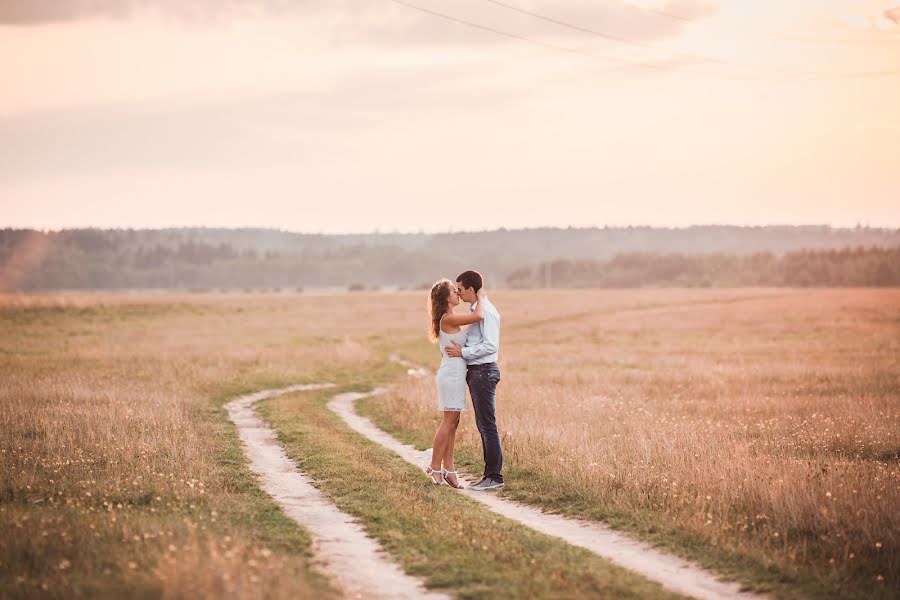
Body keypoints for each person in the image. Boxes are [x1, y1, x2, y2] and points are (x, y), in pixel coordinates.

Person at [445, 270, 503, 491]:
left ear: (471, 289)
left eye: (460, 289)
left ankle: (494, 477)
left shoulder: (485, 311)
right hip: (478, 372)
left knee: (487, 425)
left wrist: (464, 353)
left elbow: (490, 346)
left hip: (484, 372)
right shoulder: (475, 309)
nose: (458, 292)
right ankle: (491, 475)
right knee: (484, 424)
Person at [425, 278, 486, 488]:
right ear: (446, 299)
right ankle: (434, 466)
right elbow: (478, 316)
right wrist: (481, 297)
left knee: (454, 423)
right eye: (454, 291)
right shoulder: (448, 319)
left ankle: (449, 468)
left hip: (456, 374)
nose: (457, 294)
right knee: (448, 422)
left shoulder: (450, 317)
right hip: (451, 375)